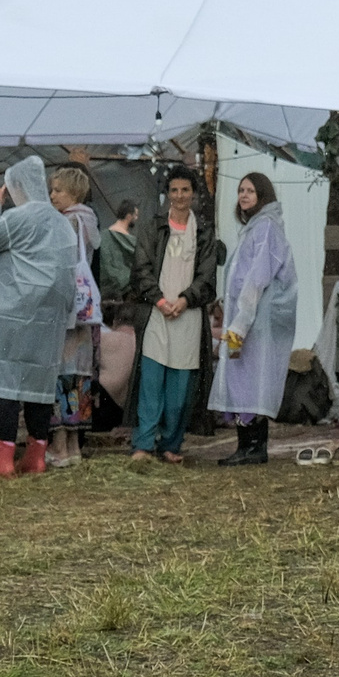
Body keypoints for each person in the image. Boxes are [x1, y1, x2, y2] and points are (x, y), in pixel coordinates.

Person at [0, 155, 77, 476]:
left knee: (5, 384)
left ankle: (2, 460)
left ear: (16, 187)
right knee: (39, 386)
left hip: (13, 315)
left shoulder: (18, 218)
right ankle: (37, 457)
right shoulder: (61, 223)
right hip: (50, 319)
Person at [132, 164, 222, 463]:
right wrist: (159, 301)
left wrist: (184, 300)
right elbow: (141, 269)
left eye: (185, 190)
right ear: (167, 193)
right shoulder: (153, 226)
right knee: (151, 384)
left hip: (188, 316)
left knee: (180, 390)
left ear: (194, 194)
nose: (180, 196)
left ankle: (171, 444)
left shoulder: (205, 232)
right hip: (157, 315)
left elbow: (207, 276)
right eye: (174, 190)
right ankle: (143, 445)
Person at [210, 171, 298, 467]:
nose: (243, 195)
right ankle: (246, 446)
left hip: (254, 321)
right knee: (241, 377)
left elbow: (257, 277)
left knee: (251, 379)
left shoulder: (266, 228)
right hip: (244, 318)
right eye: (240, 190)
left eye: (250, 190)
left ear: (263, 194)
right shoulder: (253, 228)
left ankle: (255, 447)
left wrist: (240, 321)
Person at [46, 163, 107, 465]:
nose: (52, 195)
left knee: (60, 374)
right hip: (87, 315)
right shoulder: (90, 220)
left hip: (67, 313)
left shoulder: (66, 222)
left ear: (72, 192)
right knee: (79, 378)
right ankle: (74, 446)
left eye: (57, 190)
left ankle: (59, 445)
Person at [91, 198, 148, 430]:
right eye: (136, 214)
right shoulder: (144, 340)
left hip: (103, 404)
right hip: (125, 409)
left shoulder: (103, 337)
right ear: (130, 215)